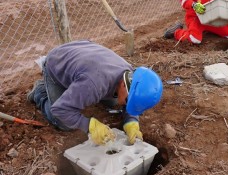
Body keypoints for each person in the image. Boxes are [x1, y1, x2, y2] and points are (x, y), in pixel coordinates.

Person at [27, 40, 163, 145]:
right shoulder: (93, 85)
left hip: (84, 54)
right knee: (63, 122)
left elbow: (131, 97)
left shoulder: (130, 74)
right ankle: (40, 92)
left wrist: (131, 120)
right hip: (57, 63)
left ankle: (76, 89)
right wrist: (89, 126)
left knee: (115, 101)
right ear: (123, 84)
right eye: (129, 102)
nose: (129, 106)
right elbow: (60, 109)